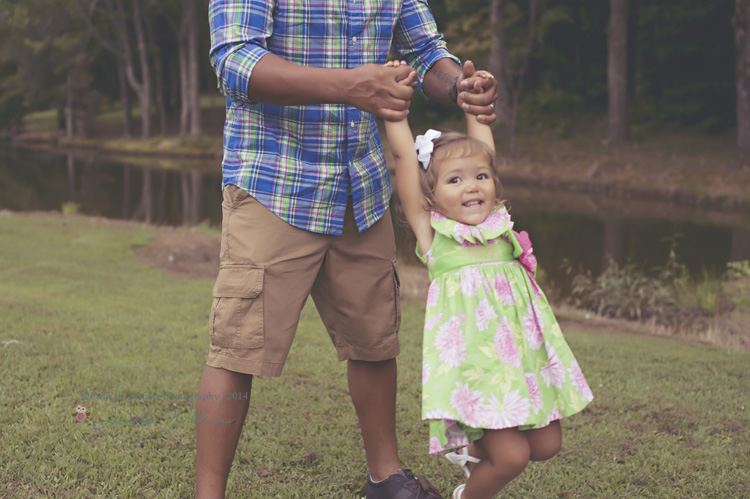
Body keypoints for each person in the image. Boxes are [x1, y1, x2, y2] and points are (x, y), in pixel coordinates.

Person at [198, 1, 499, 498]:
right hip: (275, 179)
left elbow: (426, 52)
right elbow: (235, 60)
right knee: (237, 346)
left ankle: (385, 476)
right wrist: (351, 85)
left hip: (360, 183)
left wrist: (457, 86)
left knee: (374, 338)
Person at [383, 62, 594, 499]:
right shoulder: (435, 236)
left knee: (547, 445)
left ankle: (475, 455)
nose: (471, 187)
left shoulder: (499, 225)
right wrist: (394, 111)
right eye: (454, 180)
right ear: (430, 195)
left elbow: (483, 144)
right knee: (512, 457)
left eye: (480, 177)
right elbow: (405, 158)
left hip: (520, 364)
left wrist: (474, 98)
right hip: (475, 373)